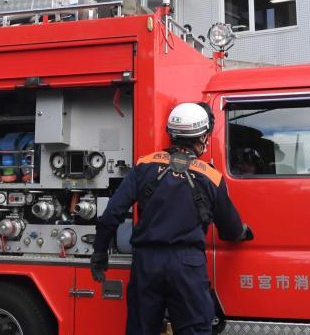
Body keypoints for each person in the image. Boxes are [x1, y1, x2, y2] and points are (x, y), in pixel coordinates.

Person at [91, 102, 252, 335]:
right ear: (204, 136)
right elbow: (231, 229)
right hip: (188, 266)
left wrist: (99, 252)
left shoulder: (144, 165)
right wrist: (243, 233)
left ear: (171, 133)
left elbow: (111, 214)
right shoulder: (211, 176)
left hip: (146, 264)